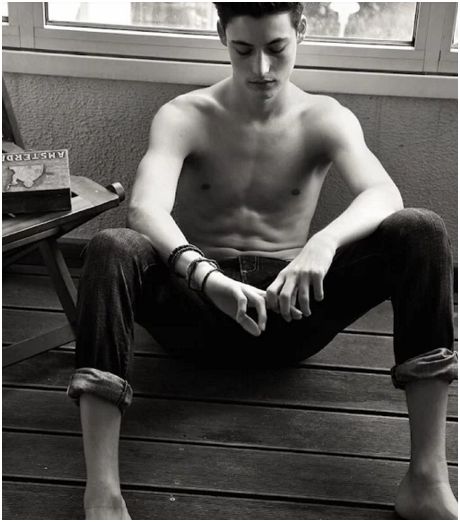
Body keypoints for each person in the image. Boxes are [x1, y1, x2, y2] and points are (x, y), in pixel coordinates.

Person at [67, 3, 458, 519]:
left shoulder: (324, 117)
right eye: (243, 50)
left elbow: (383, 193)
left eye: (276, 49)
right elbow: (145, 208)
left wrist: (322, 245)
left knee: (422, 229)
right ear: (221, 35)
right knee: (110, 246)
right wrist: (204, 276)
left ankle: (427, 478)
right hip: (197, 311)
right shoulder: (185, 114)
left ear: (301, 30)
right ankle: (102, 491)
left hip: (290, 313)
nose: (262, 69)